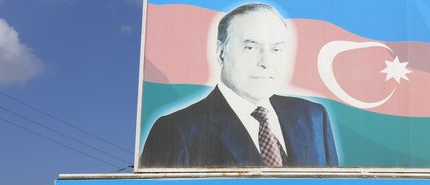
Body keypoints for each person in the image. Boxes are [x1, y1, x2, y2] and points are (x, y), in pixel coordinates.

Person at [139, 3, 338, 168]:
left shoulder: (314, 116)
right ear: (220, 53)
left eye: (276, 49)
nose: (265, 61)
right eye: (250, 47)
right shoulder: (176, 130)